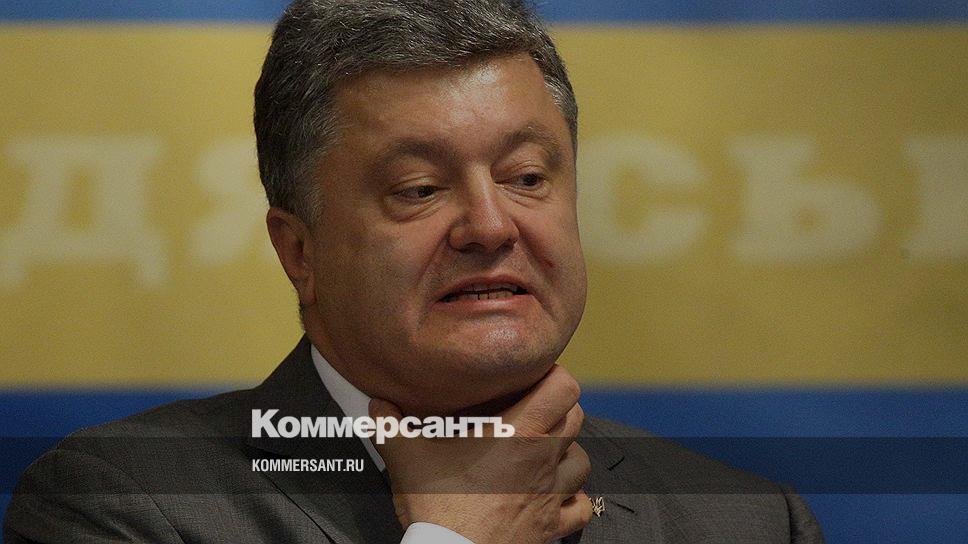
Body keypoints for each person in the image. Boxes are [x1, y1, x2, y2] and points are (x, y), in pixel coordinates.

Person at [4, 1, 823, 542]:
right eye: (420, 189)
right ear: (299, 252)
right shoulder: (124, 506)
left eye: (527, 176)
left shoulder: (747, 523)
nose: (491, 226)